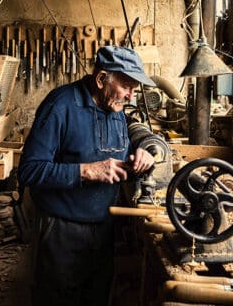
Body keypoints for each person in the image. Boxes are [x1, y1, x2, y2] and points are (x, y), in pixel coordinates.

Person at [18, 45, 157, 306]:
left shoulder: (115, 110)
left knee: (97, 297)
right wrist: (87, 170)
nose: (130, 96)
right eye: (127, 86)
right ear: (102, 78)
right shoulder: (60, 105)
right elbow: (29, 170)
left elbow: (117, 160)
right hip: (61, 230)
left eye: (134, 89)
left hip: (104, 228)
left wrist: (140, 159)